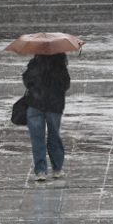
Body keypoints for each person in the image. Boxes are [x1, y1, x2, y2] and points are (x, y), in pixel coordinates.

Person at [22, 53, 71, 181]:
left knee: (37, 139)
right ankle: (57, 169)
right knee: (54, 136)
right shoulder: (60, 66)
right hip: (54, 107)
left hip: (35, 105)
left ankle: (41, 171)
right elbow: (66, 85)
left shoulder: (35, 64)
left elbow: (27, 81)